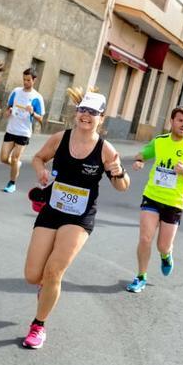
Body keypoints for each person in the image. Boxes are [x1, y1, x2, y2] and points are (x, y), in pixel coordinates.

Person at [21, 89, 130, 349]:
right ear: (76, 112)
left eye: (93, 112)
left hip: (80, 217)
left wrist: (119, 171)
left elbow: (123, 186)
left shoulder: (105, 149)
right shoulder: (61, 138)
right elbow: (37, 158)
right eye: (83, 110)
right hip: (52, 209)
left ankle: (38, 325)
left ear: (101, 118)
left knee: (54, 270)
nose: (86, 116)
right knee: (32, 274)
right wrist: (41, 171)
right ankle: (45, 288)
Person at [126, 107, 183, 293]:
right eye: (180, 120)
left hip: (174, 201)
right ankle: (141, 277)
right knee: (145, 238)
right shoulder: (160, 141)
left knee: (163, 245)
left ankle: (166, 255)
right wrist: (139, 161)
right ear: (172, 121)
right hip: (152, 196)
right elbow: (142, 155)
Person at [0, 68, 45, 193]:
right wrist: (7, 112)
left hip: (24, 133)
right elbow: (7, 109)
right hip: (11, 130)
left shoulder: (37, 97)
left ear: (34, 80)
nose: (25, 82)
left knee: (15, 158)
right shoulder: (16, 92)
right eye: (24, 79)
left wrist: (33, 113)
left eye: (28, 80)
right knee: (3, 158)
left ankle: (12, 183)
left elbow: (41, 119)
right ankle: (16, 165)